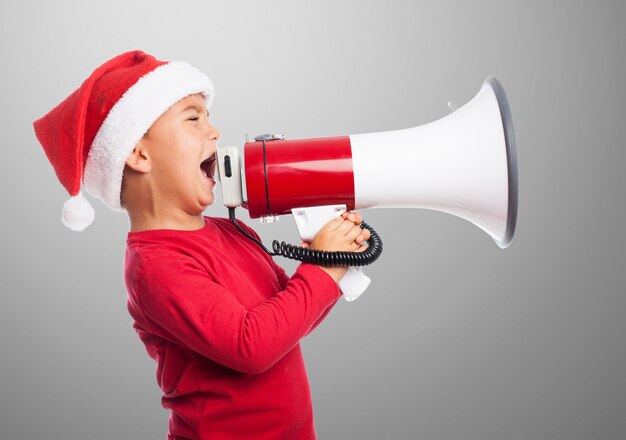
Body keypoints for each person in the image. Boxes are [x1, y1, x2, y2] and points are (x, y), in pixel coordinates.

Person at [33, 50, 370, 440]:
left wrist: (328, 258)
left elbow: (290, 318)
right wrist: (323, 267)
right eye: (193, 118)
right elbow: (253, 346)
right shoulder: (155, 267)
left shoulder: (231, 232)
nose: (215, 132)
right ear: (139, 154)